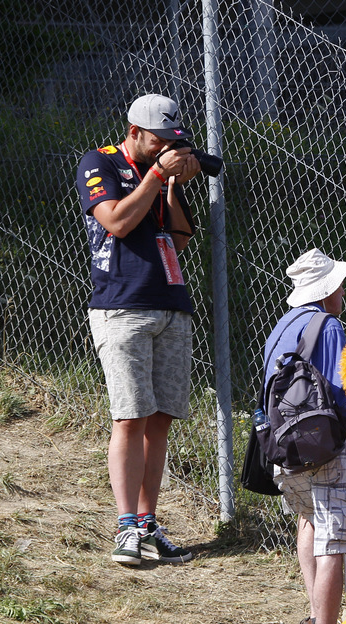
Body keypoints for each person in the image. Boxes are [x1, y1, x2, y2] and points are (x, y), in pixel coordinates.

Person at [75, 94, 205, 567]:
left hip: (171, 303)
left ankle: (149, 525)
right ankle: (126, 526)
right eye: (157, 141)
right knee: (130, 416)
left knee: (160, 419)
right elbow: (116, 221)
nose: (164, 148)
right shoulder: (100, 162)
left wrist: (172, 186)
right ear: (133, 131)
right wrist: (155, 176)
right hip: (122, 306)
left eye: (171, 142)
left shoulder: (160, 174)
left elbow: (180, 239)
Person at [261, 249, 346, 624]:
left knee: (309, 524)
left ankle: (316, 618)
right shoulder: (331, 326)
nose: (342, 291)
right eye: (338, 284)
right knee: (335, 543)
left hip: (283, 449)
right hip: (325, 447)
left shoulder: (279, 328)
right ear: (327, 291)